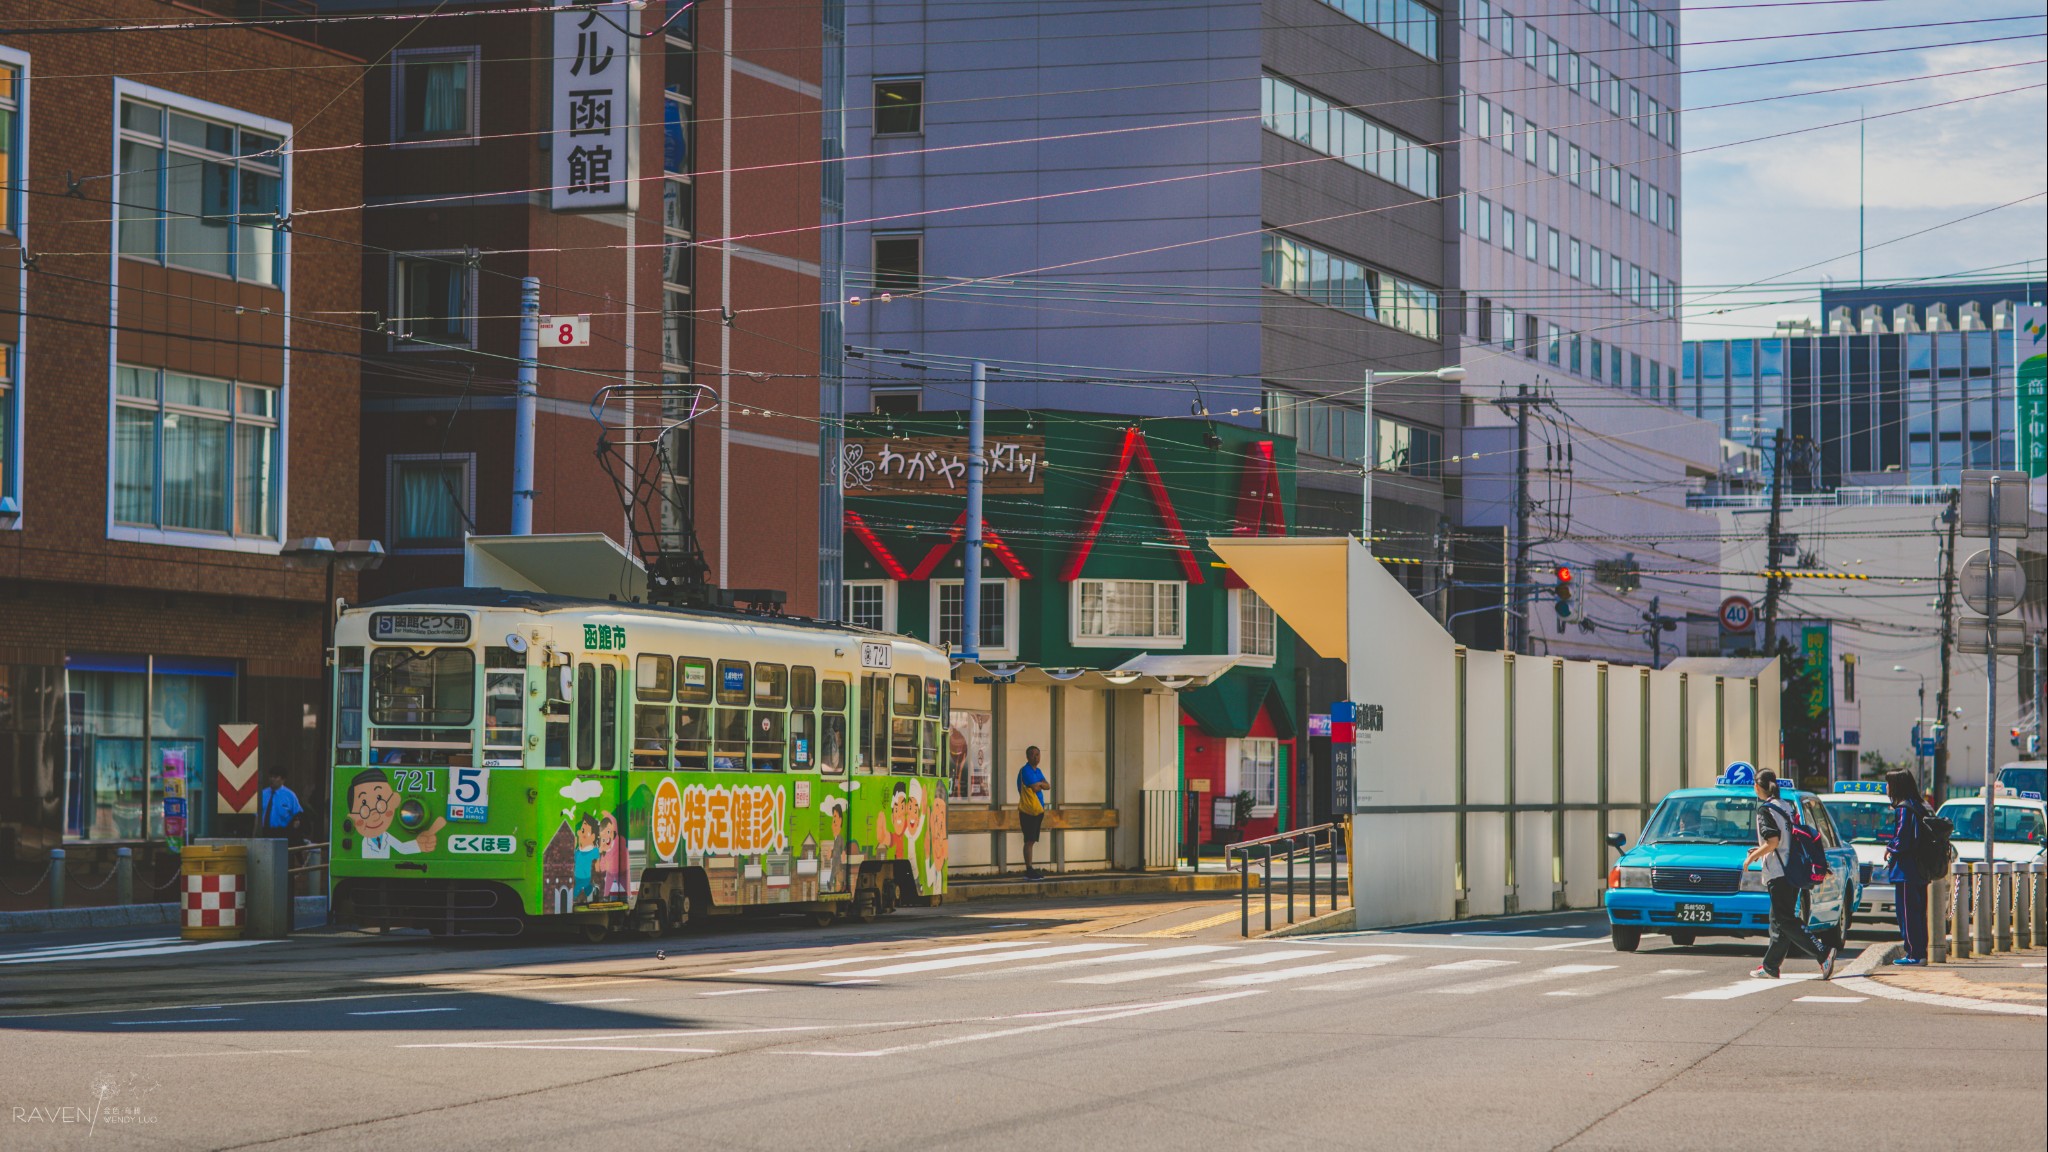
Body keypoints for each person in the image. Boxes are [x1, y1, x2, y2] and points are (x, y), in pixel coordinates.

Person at [1743, 769, 1837, 980]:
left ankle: (1823, 953)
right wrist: (1759, 851)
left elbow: (1773, 841)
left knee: (1784, 920)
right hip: (1792, 868)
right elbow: (1784, 840)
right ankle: (1770, 966)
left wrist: (1752, 858)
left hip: (1779, 872)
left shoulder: (1765, 810)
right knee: (1778, 920)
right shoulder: (1786, 806)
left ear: (1757, 787)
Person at [1883, 769, 1933, 966]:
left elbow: (1902, 839)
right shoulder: (1920, 806)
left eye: (1888, 783)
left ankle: (1913, 953)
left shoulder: (1903, 809)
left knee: (1907, 913)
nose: (1887, 787)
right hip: (1920, 868)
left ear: (1896, 786)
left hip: (1906, 870)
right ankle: (1920, 952)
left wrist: (1890, 848)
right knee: (1918, 912)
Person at [1016, 745, 1050, 880]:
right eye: (1033, 755)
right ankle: (1029, 869)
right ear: (1027, 757)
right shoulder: (1026, 771)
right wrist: (1041, 784)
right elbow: (1036, 787)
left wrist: (1041, 784)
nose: (1036, 757)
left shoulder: (1038, 770)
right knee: (1029, 840)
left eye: (1038, 754)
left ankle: (1030, 869)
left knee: (1032, 840)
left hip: (1038, 810)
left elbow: (1048, 785)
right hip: (1028, 811)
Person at [257, 768, 304, 842]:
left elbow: (298, 814)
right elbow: (256, 816)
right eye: (271, 776)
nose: (272, 779)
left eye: (275, 777)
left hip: (282, 833)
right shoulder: (262, 794)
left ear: (283, 779)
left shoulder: (290, 795)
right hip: (263, 832)